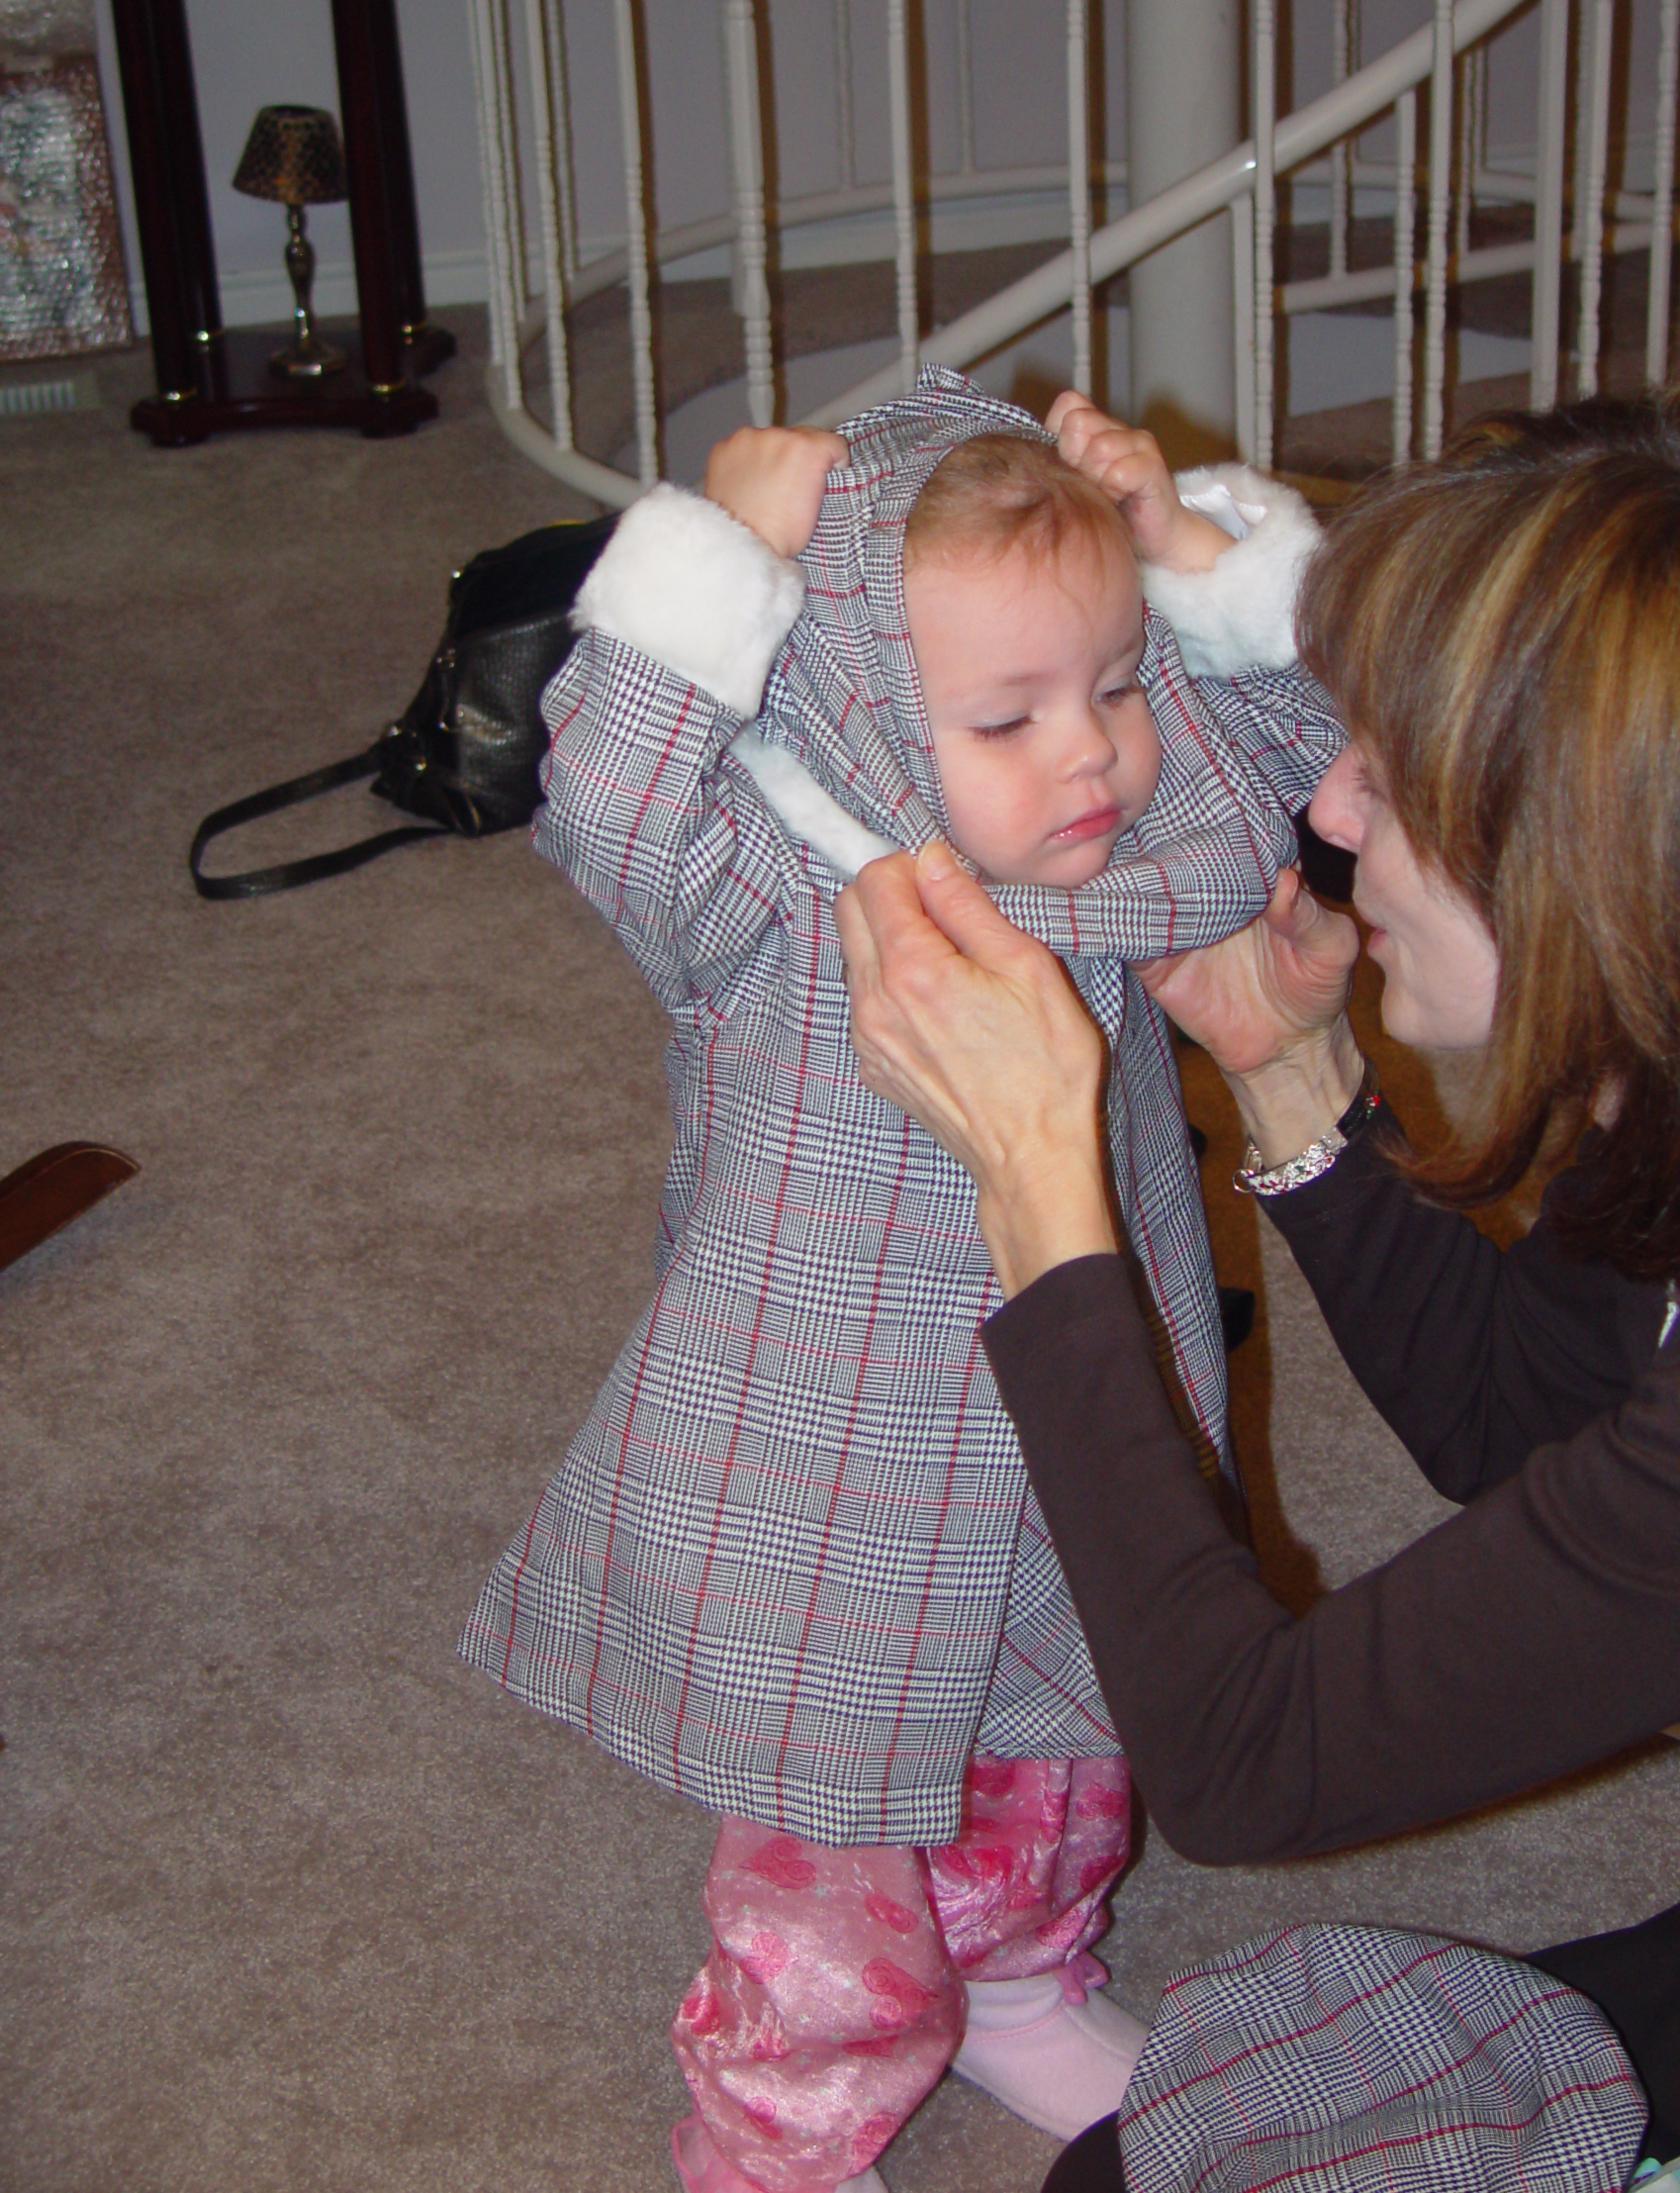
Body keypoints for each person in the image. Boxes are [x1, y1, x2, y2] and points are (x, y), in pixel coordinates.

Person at [836, 382, 1680, 2193]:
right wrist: (1290, 1074)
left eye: (1390, 773)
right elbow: (1527, 1423)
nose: (1326, 805)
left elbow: (1247, 1761)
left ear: (1603, 870)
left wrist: (1039, 1181)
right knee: (1159, 2160)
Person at [458, 366, 1345, 2193]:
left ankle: (1025, 1973)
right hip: (823, 1472)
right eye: (1009, 716)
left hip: (1084, 1410)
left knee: (1084, 1732)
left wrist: (1188, 560)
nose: (1089, 752)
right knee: (830, 1861)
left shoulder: (1134, 862)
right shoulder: (776, 888)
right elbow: (605, 805)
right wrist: (716, 556)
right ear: (861, 706)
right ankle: (772, 2134)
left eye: (1109, 686)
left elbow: (1300, 764)